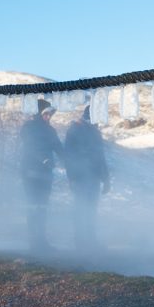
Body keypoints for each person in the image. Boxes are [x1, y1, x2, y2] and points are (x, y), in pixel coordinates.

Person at [18, 98, 63, 252]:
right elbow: (30, 146)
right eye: (46, 113)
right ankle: (34, 243)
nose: (49, 116)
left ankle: (42, 241)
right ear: (39, 113)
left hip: (45, 173)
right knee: (33, 206)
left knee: (42, 207)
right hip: (30, 172)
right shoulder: (29, 127)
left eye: (51, 114)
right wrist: (43, 159)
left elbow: (59, 148)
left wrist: (72, 161)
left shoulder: (50, 130)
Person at [63, 104, 109, 251]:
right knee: (80, 208)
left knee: (91, 210)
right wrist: (72, 178)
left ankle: (91, 240)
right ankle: (80, 241)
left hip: (94, 177)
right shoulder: (75, 130)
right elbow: (68, 156)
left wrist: (106, 179)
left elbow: (101, 157)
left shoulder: (95, 132)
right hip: (80, 177)